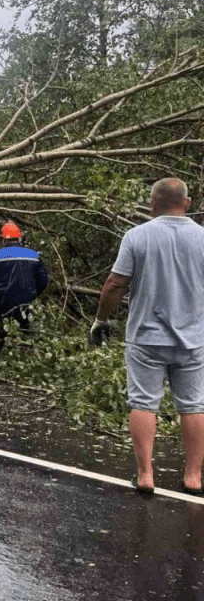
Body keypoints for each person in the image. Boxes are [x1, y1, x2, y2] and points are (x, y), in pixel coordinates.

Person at [92, 177, 204, 497]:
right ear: (188, 202)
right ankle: (194, 477)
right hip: (195, 338)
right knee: (194, 405)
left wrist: (101, 320)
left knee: (143, 403)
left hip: (146, 337)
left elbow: (115, 284)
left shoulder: (137, 236)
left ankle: (145, 475)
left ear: (152, 203)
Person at [0, 221, 49, 357]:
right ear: (19, 237)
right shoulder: (34, 255)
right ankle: (26, 357)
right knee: (26, 332)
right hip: (26, 301)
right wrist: (34, 295)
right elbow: (43, 280)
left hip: (2, 302)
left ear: (3, 239)